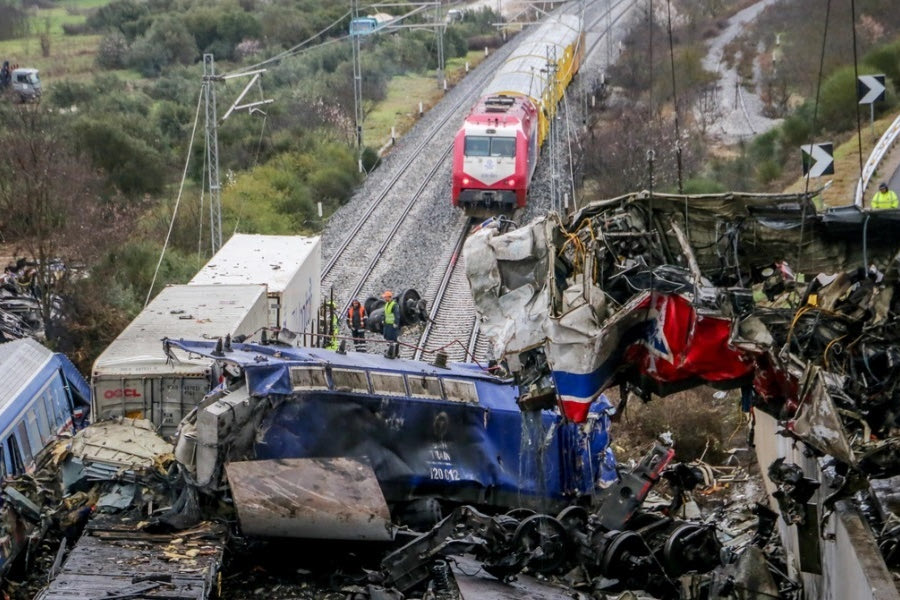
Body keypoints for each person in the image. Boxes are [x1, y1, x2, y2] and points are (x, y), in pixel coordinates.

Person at [382, 290, 400, 358]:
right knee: (387, 338)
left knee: (393, 339)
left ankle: (394, 353)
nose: (384, 298)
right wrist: (383, 320)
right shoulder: (386, 304)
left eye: (385, 297)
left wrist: (395, 323)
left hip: (392, 325)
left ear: (389, 297)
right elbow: (385, 313)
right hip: (387, 324)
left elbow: (397, 315)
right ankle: (389, 352)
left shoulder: (394, 305)